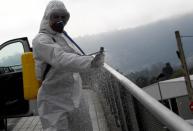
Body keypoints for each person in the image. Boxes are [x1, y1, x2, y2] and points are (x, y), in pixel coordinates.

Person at [32, 0, 105, 130]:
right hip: (53, 102)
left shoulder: (62, 37)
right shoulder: (40, 40)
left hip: (75, 96)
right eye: (55, 17)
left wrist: (91, 58)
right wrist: (90, 61)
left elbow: (74, 57)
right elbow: (61, 59)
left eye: (63, 17)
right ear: (47, 17)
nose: (60, 20)